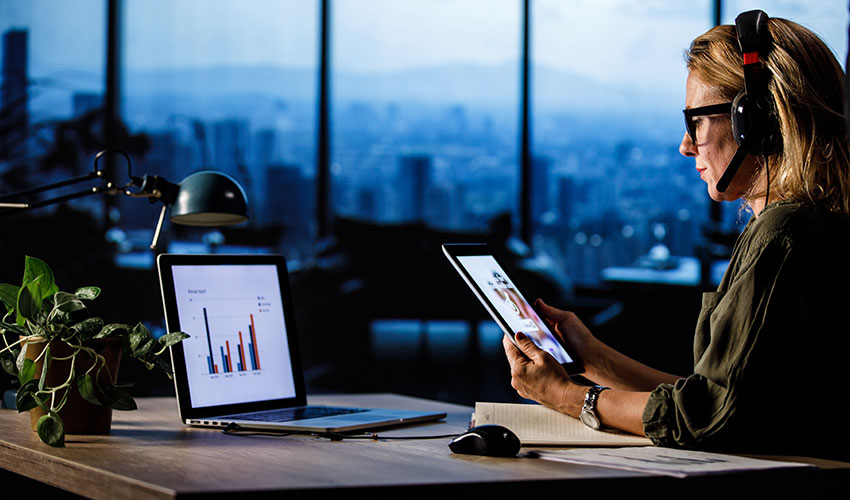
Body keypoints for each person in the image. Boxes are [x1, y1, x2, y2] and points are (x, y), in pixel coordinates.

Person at [503, 11, 850, 461]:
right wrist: (590, 358)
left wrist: (566, 397)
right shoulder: (802, 225)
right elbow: (716, 399)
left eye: (696, 122)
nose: (686, 145)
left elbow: (708, 419)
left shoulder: (783, 235)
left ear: (756, 121)